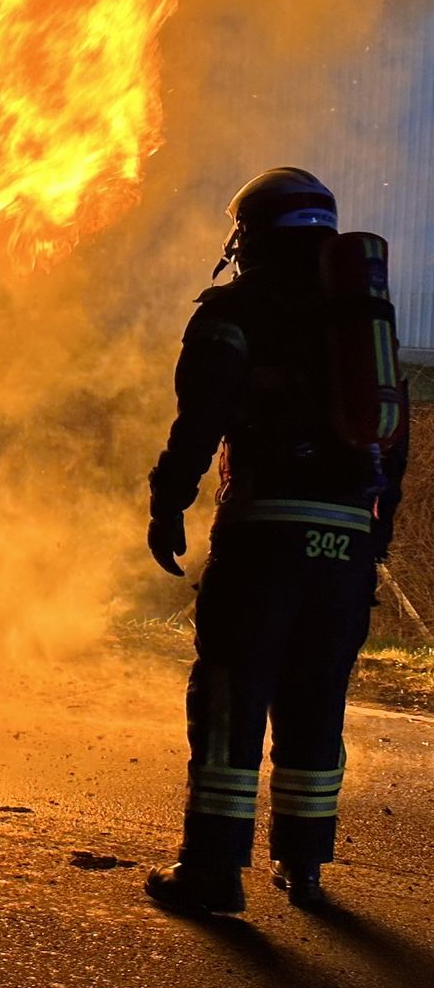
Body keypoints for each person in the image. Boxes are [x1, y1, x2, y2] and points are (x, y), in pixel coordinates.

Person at [143, 167, 406, 914]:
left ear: (250, 233)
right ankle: (304, 868)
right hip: (345, 544)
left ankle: (213, 871)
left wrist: (169, 500)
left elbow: (201, 416)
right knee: (315, 697)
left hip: (263, 534)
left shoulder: (236, 308)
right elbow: (394, 444)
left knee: (231, 691)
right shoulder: (363, 321)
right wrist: (370, 540)